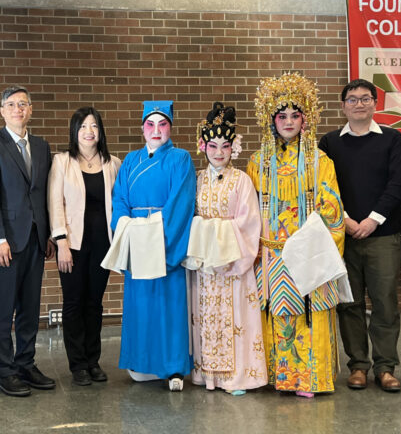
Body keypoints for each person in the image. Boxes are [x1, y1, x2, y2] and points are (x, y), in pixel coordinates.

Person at [246, 73, 346, 396]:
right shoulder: (258, 162)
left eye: (295, 114)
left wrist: (313, 244)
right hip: (271, 254)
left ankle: (311, 378)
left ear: (305, 118)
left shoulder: (319, 161)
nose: (288, 121)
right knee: (277, 314)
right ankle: (278, 375)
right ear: (271, 120)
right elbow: (249, 210)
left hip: (306, 251)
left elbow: (332, 208)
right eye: (281, 115)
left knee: (308, 312)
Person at [318, 78, 401, 392]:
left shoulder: (393, 140)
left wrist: (372, 220)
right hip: (341, 236)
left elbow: (399, 183)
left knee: (385, 302)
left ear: (375, 103)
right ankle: (358, 365)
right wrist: (344, 220)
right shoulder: (329, 143)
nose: (359, 104)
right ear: (343, 106)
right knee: (349, 302)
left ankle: (386, 367)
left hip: (384, 235)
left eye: (366, 98)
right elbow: (323, 187)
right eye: (353, 99)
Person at [104, 100, 196, 391]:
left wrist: (156, 236)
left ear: (170, 128)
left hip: (163, 242)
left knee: (169, 306)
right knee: (140, 305)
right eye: (150, 124)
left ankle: (173, 367)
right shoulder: (131, 160)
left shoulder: (181, 159)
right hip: (136, 240)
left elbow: (181, 204)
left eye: (163, 124)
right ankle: (141, 363)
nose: (156, 130)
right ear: (142, 128)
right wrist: (125, 226)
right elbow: (118, 198)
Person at [0, 85, 56, 397]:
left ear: (31, 109)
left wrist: (48, 233)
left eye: (23, 104)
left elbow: (44, 194)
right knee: (4, 307)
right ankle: (6, 370)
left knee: (30, 307)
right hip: (7, 240)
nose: (17, 109)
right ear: (2, 111)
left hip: (36, 239)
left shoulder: (40, 146)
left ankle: (26, 363)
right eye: (11, 104)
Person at [186, 102, 267, 394]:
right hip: (206, 266)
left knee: (235, 321)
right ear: (203, 146)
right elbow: (189, 218)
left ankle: (236, 376)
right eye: (213, 145)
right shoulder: (195, 180)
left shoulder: (242, 180)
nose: (219, 152)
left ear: (234, 148)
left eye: (225, 146)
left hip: (232, 263)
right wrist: (203, 233)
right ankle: (207, 374)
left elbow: (249, 223)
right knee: (206, 317)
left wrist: (214, 230)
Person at [47, 107, 121, 386]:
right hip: (73, 246)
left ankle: (93, 360)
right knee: (74, 304)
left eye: (94, 126)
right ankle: (77, 364)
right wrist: (61, 242)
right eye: (83, 127)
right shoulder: (62, 162)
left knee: (95, 304)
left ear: (100, 131)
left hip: (103, 243)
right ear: (74, 132)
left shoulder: (113, 163)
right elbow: (55, 203)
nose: (89, 132)